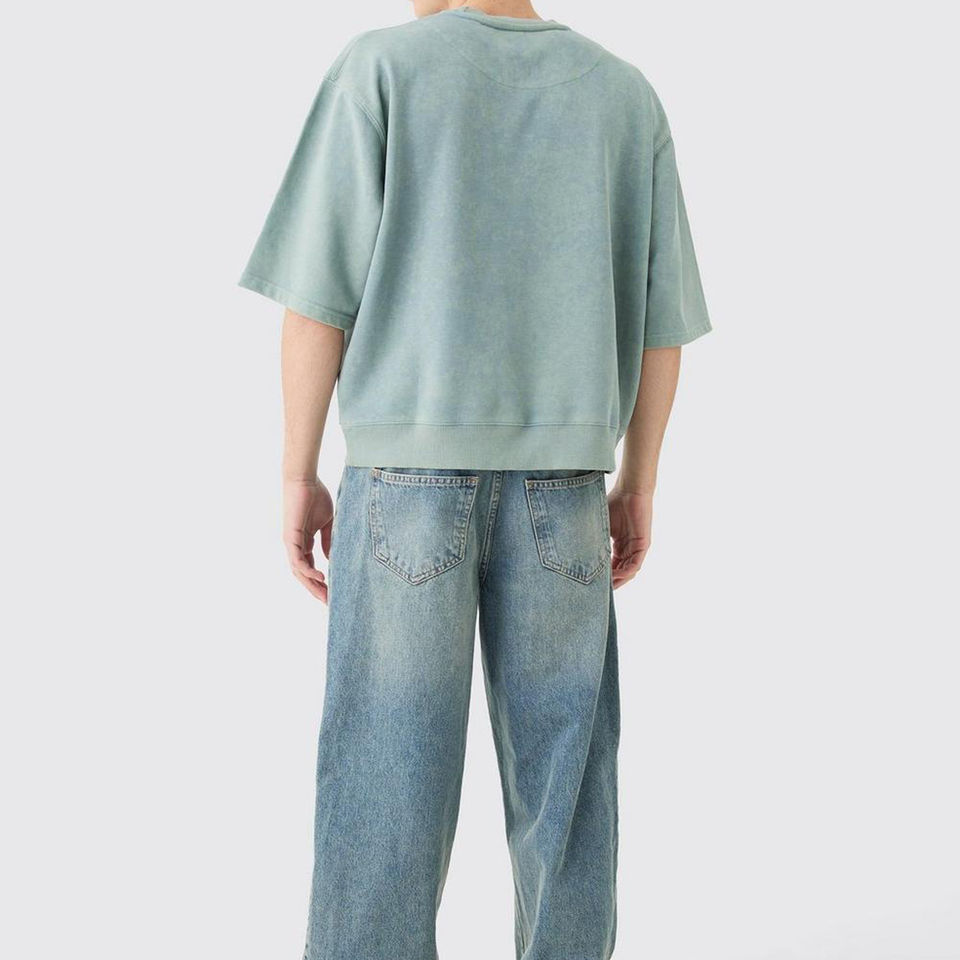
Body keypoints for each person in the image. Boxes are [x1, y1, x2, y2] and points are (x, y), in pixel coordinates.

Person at [239, 0, 710, 956]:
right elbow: (663, 329)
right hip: (566, 491)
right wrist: (639, 484)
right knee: (566, 798)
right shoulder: (624, 97)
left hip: (403, 484)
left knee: (385, 784)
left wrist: (297, 469)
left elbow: (317, 300)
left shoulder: (382, 69)